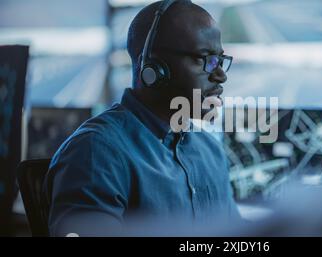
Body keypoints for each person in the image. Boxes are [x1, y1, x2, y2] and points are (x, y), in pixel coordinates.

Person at [43, 0, 240, 236]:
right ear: (154, 69)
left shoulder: (209, 150)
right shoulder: (97, 152)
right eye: (204, 59)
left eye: (220, 60)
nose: (220, 75)